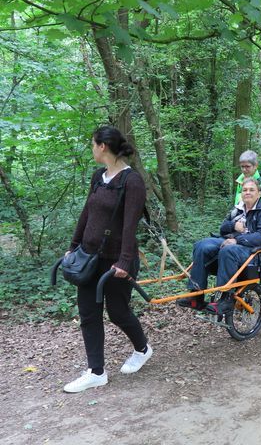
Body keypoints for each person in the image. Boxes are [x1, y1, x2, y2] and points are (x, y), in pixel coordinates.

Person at [63, 127, 151, 393]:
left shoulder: (131, 181)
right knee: (88, 313)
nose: (91, 149)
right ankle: (96, 371)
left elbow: (129, 225)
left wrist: (125, 262)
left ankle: (143, 349)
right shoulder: (97, 178)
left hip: (116, 261)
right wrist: (73, 246)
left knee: (118, 313)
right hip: (89, 258)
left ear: (103, 147)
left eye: (93, 144)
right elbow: (86, 213)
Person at [177, 177, 261, 313]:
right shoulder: (237, 209)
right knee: (201, 245)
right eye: (244, 190)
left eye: (251, 190)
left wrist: (238, 240)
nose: (247, 193)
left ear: (259, 194)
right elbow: (223, 228)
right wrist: (234, 225)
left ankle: (226, 299)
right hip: (234, 242)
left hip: (256, 251)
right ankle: (196, 296)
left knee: (228, 250)